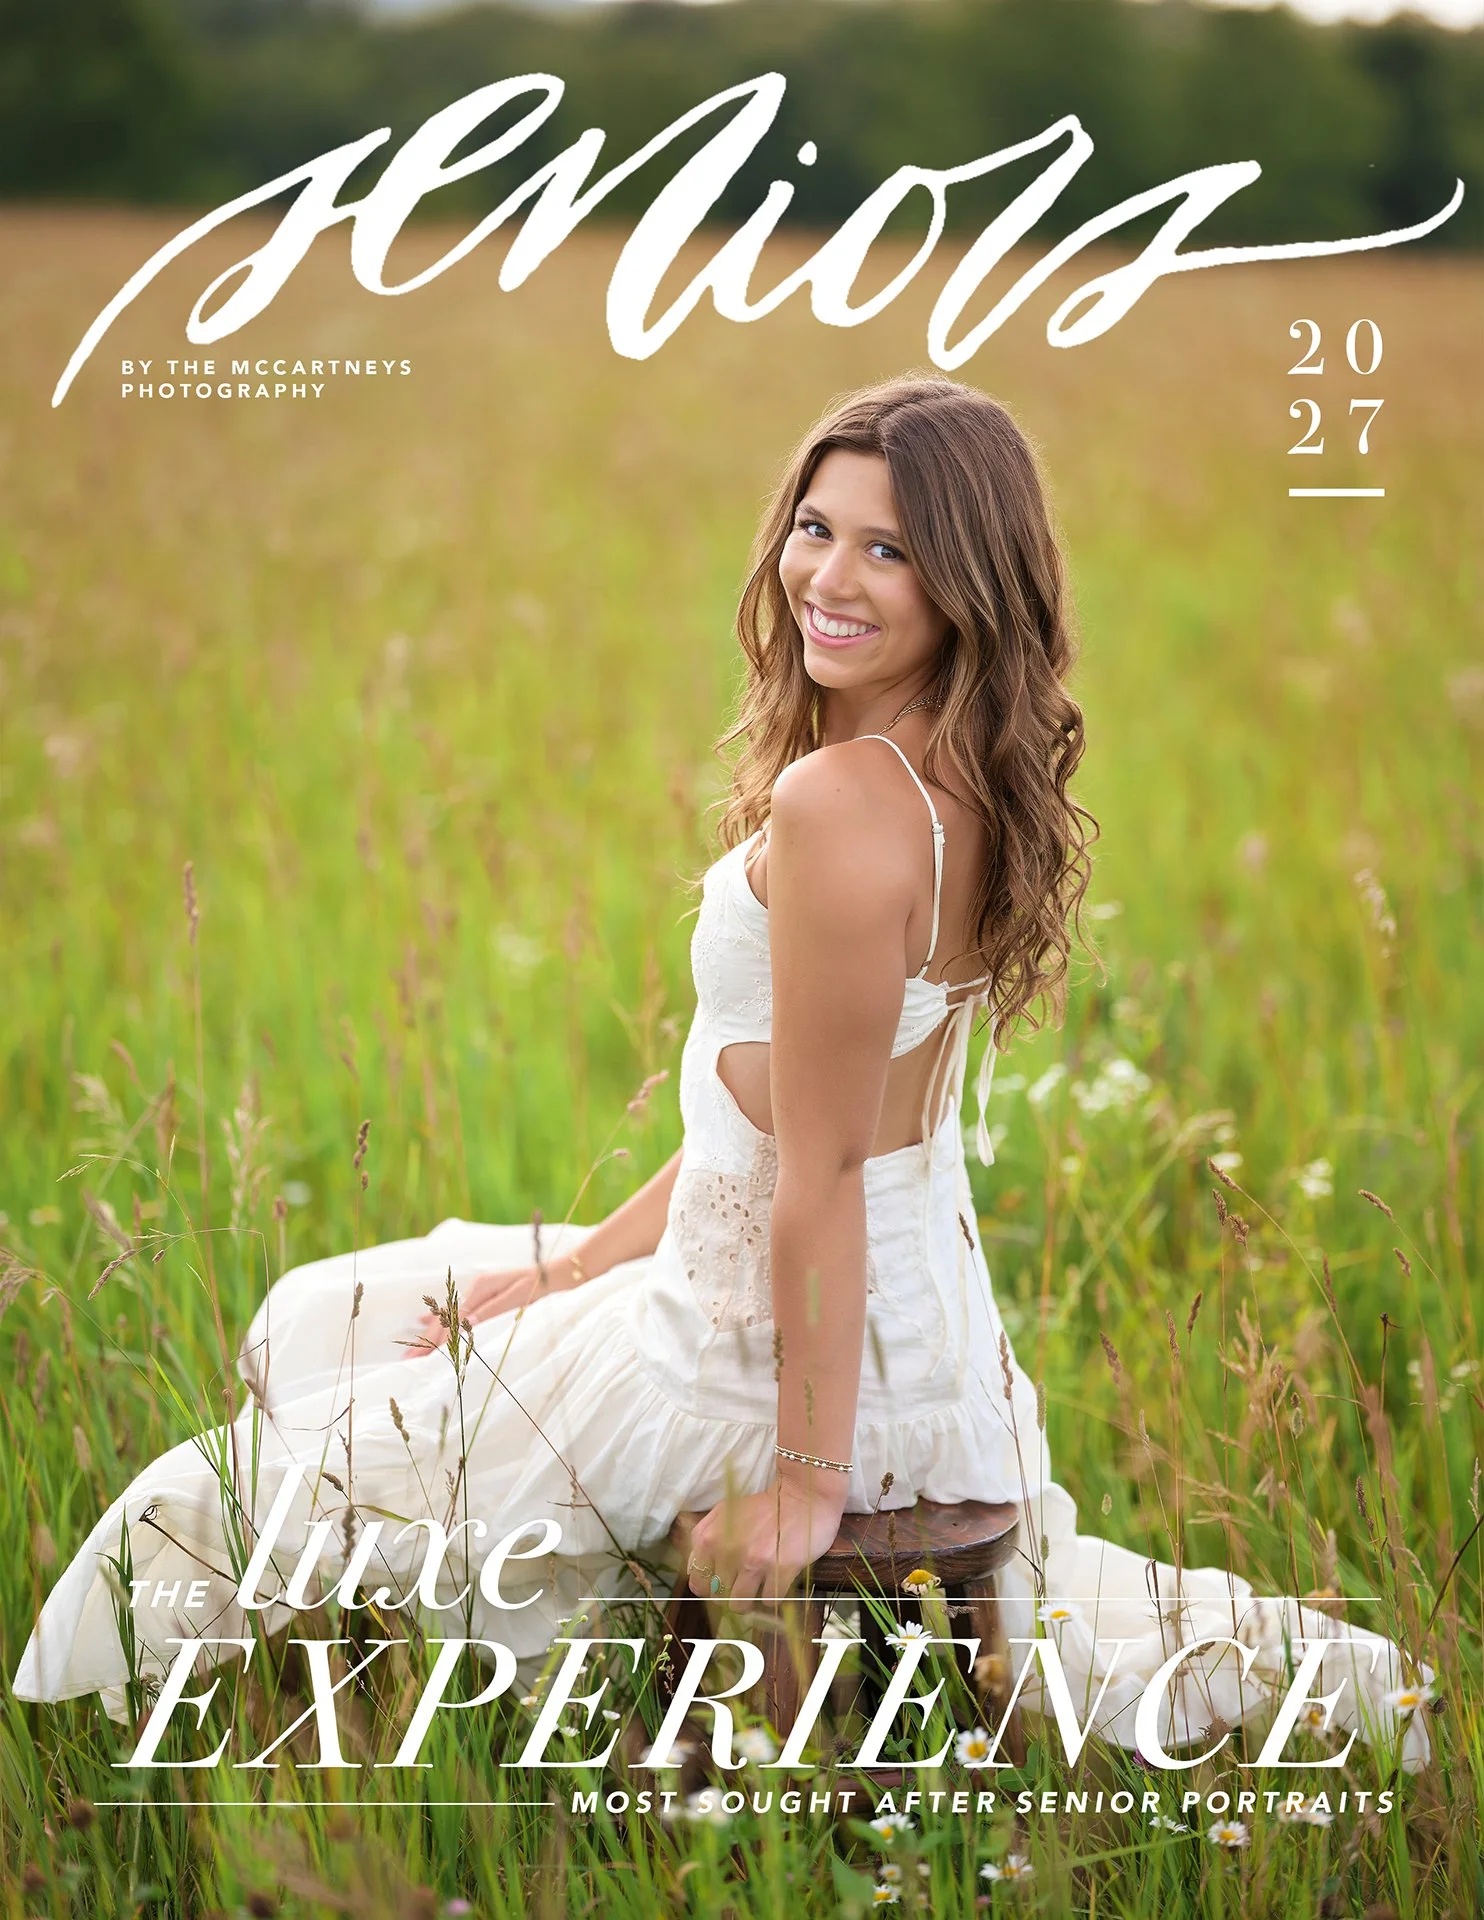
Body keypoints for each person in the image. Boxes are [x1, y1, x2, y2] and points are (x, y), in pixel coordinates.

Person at [14, 377, 1429, 1770]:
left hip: (768, 1360)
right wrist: (572, 1275)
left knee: (239, 1457)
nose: (830, 574)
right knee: (363, 1308)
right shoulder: (957, 774)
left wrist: (806, 1488)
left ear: (970, 584)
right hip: (879, 1325)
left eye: (891, 549)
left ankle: (341, 1744)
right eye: (818, 527)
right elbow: (764, 1129)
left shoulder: (845, 803)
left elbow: (814, 1173)